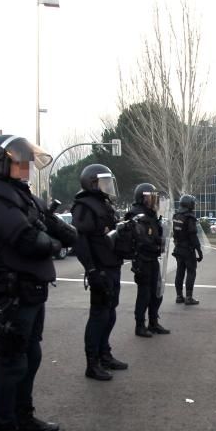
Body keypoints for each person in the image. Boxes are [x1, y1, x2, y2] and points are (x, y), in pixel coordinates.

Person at [0, 134, 77, 431]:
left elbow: (52, 223)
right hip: (13, 292)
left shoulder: (20, 195)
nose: (26, 167)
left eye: (27, 161)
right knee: (11, 362)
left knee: (31, 354)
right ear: (0, 163)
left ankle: (23, 417)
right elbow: (27, 239)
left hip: (32, 288)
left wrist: (76, 239)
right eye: (19, 161)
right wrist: (57, 246)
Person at [71, 163, 129, 381]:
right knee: (99, 315)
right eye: (103, 183)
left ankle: (105, 354)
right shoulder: (84, 206)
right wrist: (92, 270)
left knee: (110, 313)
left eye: (108, 182)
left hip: (112, 265)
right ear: (91, 183)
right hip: (100, 269)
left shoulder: (103, 204)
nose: (107, 187)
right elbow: (80, 240)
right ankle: (92, 363)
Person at [127, 183, 170, 337]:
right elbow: (142, 239)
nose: (153, 201)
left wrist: (164, 236)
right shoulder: (136, 215)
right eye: (150, 198)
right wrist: (157, 244)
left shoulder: (151, 215)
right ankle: (140, 325)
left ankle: (153, 322)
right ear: (141, 198)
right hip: (142, 259)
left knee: (157, 292)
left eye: (154, 198)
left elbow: (157, 235)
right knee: (144, 294)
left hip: (153, 259)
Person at [172, 193, 204, 304]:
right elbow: (193, 235)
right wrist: (199, 251)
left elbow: (174, 234)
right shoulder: (190, 217)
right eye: (193, 203)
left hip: (178, 248)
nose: (194, 205)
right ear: (189, 204)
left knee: (179, 272)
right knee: (191, 272)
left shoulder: (176, 216)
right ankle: (189, 297)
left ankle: (179, 296)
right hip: (188, 249)